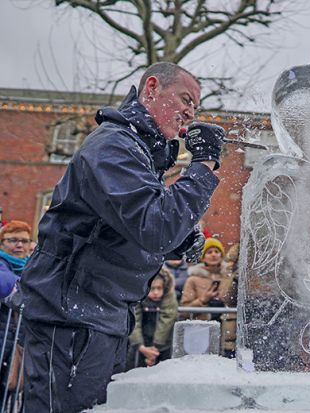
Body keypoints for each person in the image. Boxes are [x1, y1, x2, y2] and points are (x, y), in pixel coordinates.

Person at [19, 62, 226, 413]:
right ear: (151, 88)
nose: (191, 112)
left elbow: (130, 225)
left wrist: (180, 238)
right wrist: (202, 167)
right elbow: (154, 225)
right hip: (70, 315)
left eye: (196, 106)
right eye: (185, 99)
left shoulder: (142, 154)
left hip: (99, 314)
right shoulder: (115, 145)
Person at [181, 238, 237, 358]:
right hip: (201, 335)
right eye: (209, 252)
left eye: (217, 251)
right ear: (203, 256)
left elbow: (233, 301)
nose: (213, 255)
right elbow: (184, 311)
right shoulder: (193, 279)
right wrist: (202, 300)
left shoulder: (228, 277)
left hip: (227, 336)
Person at [0, 221, 32, 397]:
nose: (19, 245)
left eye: (24, 241)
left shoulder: (31, 267)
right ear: (2, 243)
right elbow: (3, 284)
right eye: (13, 240)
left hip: (18, 343)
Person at [127, 267, 178, 369]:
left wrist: (156, 346)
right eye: (152, 288)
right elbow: (134, 319)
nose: (155, 292)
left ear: (164, 287)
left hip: (163, 343)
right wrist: (140, 345)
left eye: (159, 288)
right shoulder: (137, 295)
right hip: (140, 340)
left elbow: (167, 319)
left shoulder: (169, 294)